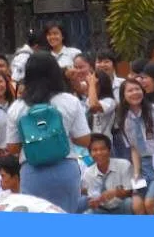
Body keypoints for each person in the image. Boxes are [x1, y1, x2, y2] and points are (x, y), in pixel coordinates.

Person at [5, 51, 91, 213]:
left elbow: (13, 148)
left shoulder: (17, 107)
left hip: (32, 171)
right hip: (65, 169)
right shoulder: (69, 101)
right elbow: (84, 140)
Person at [114, 77, 154, 214]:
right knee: (136, 205)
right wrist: (136, 173)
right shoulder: (124, 118)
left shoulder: (153, 110)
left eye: (137, 89)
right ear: (123, 96)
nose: (135, 93)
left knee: (150, 203)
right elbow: (134, 148)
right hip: (142, 165)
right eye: (130, 90)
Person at [79, 133, 134, 215]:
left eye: (103, 149)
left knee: (129, 202)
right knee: (87, 213)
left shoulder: (124, 165)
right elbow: (91, 195)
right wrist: (93, 202)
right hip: (101, 210)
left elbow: (130, 191)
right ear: (90, 154)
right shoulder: (88, 173)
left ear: (109, 150)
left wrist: (115, 192)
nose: (99, 153)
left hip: (121, 206)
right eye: (95, 150)